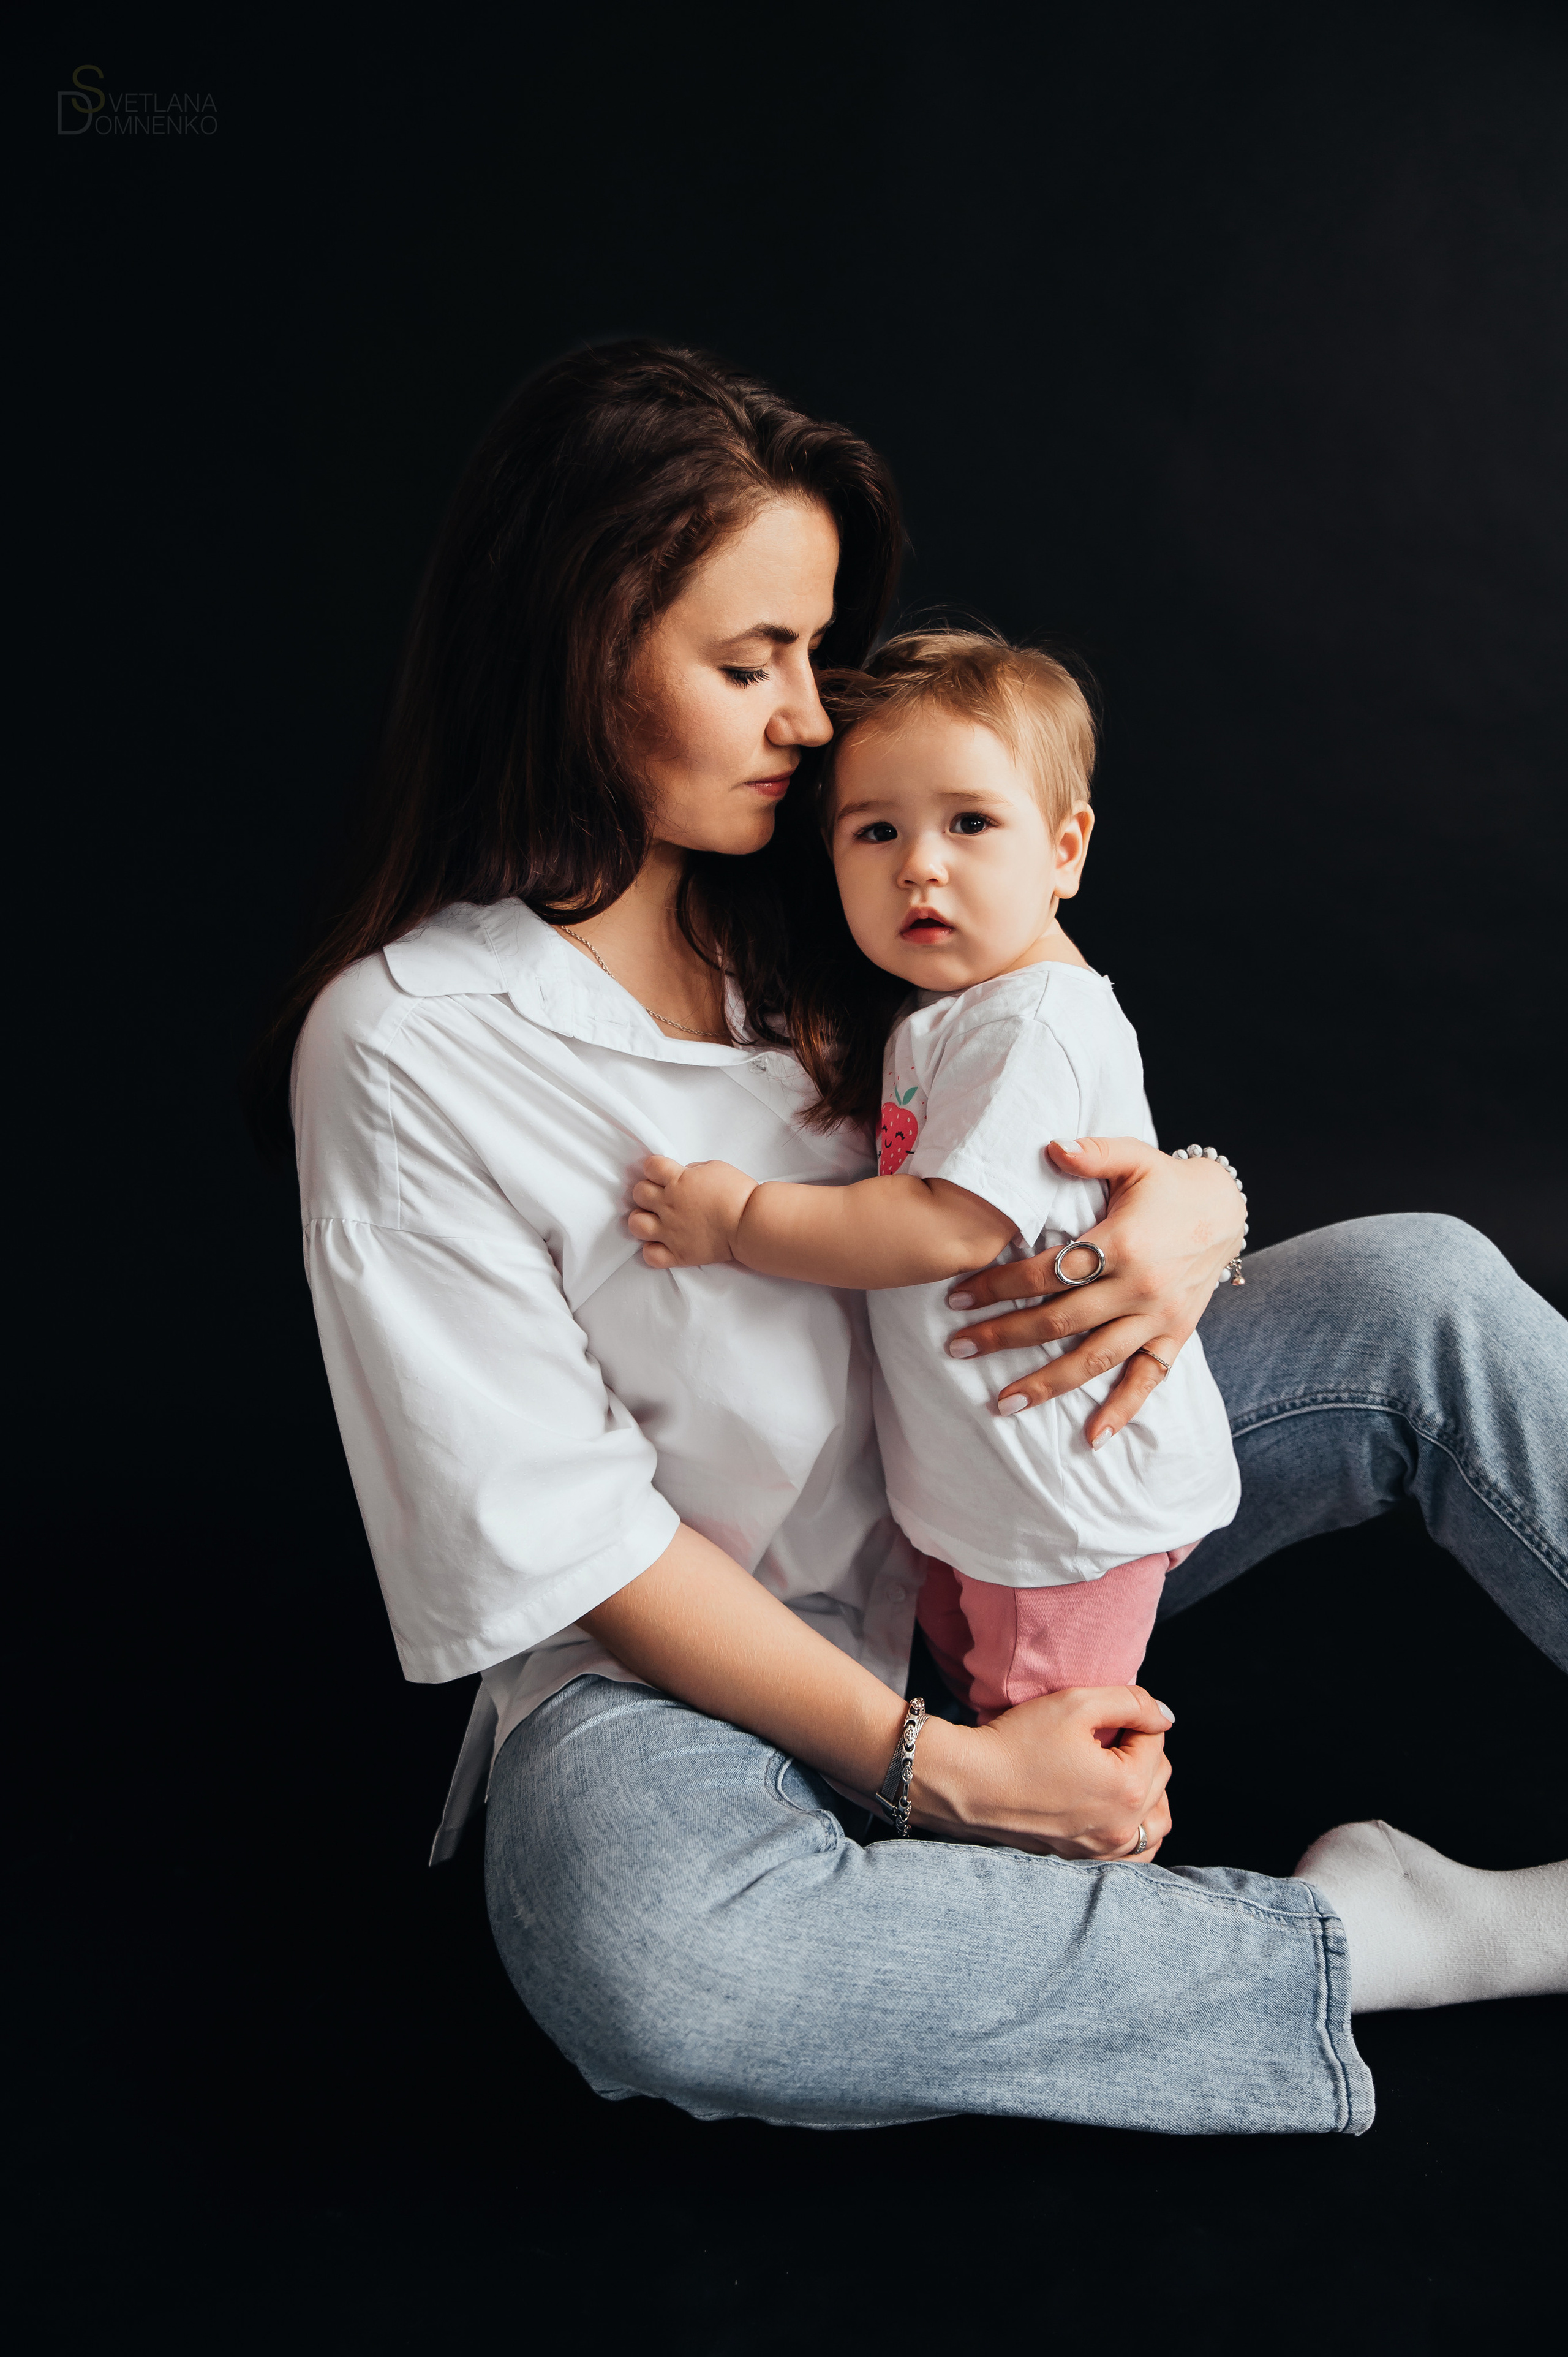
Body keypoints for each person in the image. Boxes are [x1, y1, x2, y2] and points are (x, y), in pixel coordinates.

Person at [252, 340, 1568, 2137]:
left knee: (1420, 1283)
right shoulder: (407, 1046)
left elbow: (1056, 1080)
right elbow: (566, 1539)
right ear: (575, 652)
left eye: (811, 652)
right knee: (658, 1960)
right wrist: (940, 1769)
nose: (809, 717)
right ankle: (1378, 1943)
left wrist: (1201, 1208)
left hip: (1008, 1497)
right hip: (694, 1664)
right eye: (749, 663)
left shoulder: (834, 880)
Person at [627, 627, 1243, 1729]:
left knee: (1046, 1748)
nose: (921, 862)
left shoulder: (1033, 1022)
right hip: (992, 1485)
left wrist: (742, 1222)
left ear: (1065, 851)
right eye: (877, 831)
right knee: (988, 1706)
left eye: (970, 823)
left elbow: (946, 1224)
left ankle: (1100, 1893)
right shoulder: (951, 1013)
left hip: (1059, 1495)